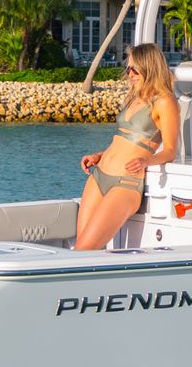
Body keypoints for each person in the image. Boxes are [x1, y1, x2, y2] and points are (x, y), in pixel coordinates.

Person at [75, 42, 179, 250]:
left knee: (83, 251)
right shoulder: (135, 97)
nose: (129, 73)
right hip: (99, 175)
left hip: (126, 183)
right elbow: (126, 141)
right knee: (81, 249)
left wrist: (146, 160)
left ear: (149, 68)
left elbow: (170, 151)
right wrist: (99, 155)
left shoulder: (165, 102)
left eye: (134, 69)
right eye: (128, 68)